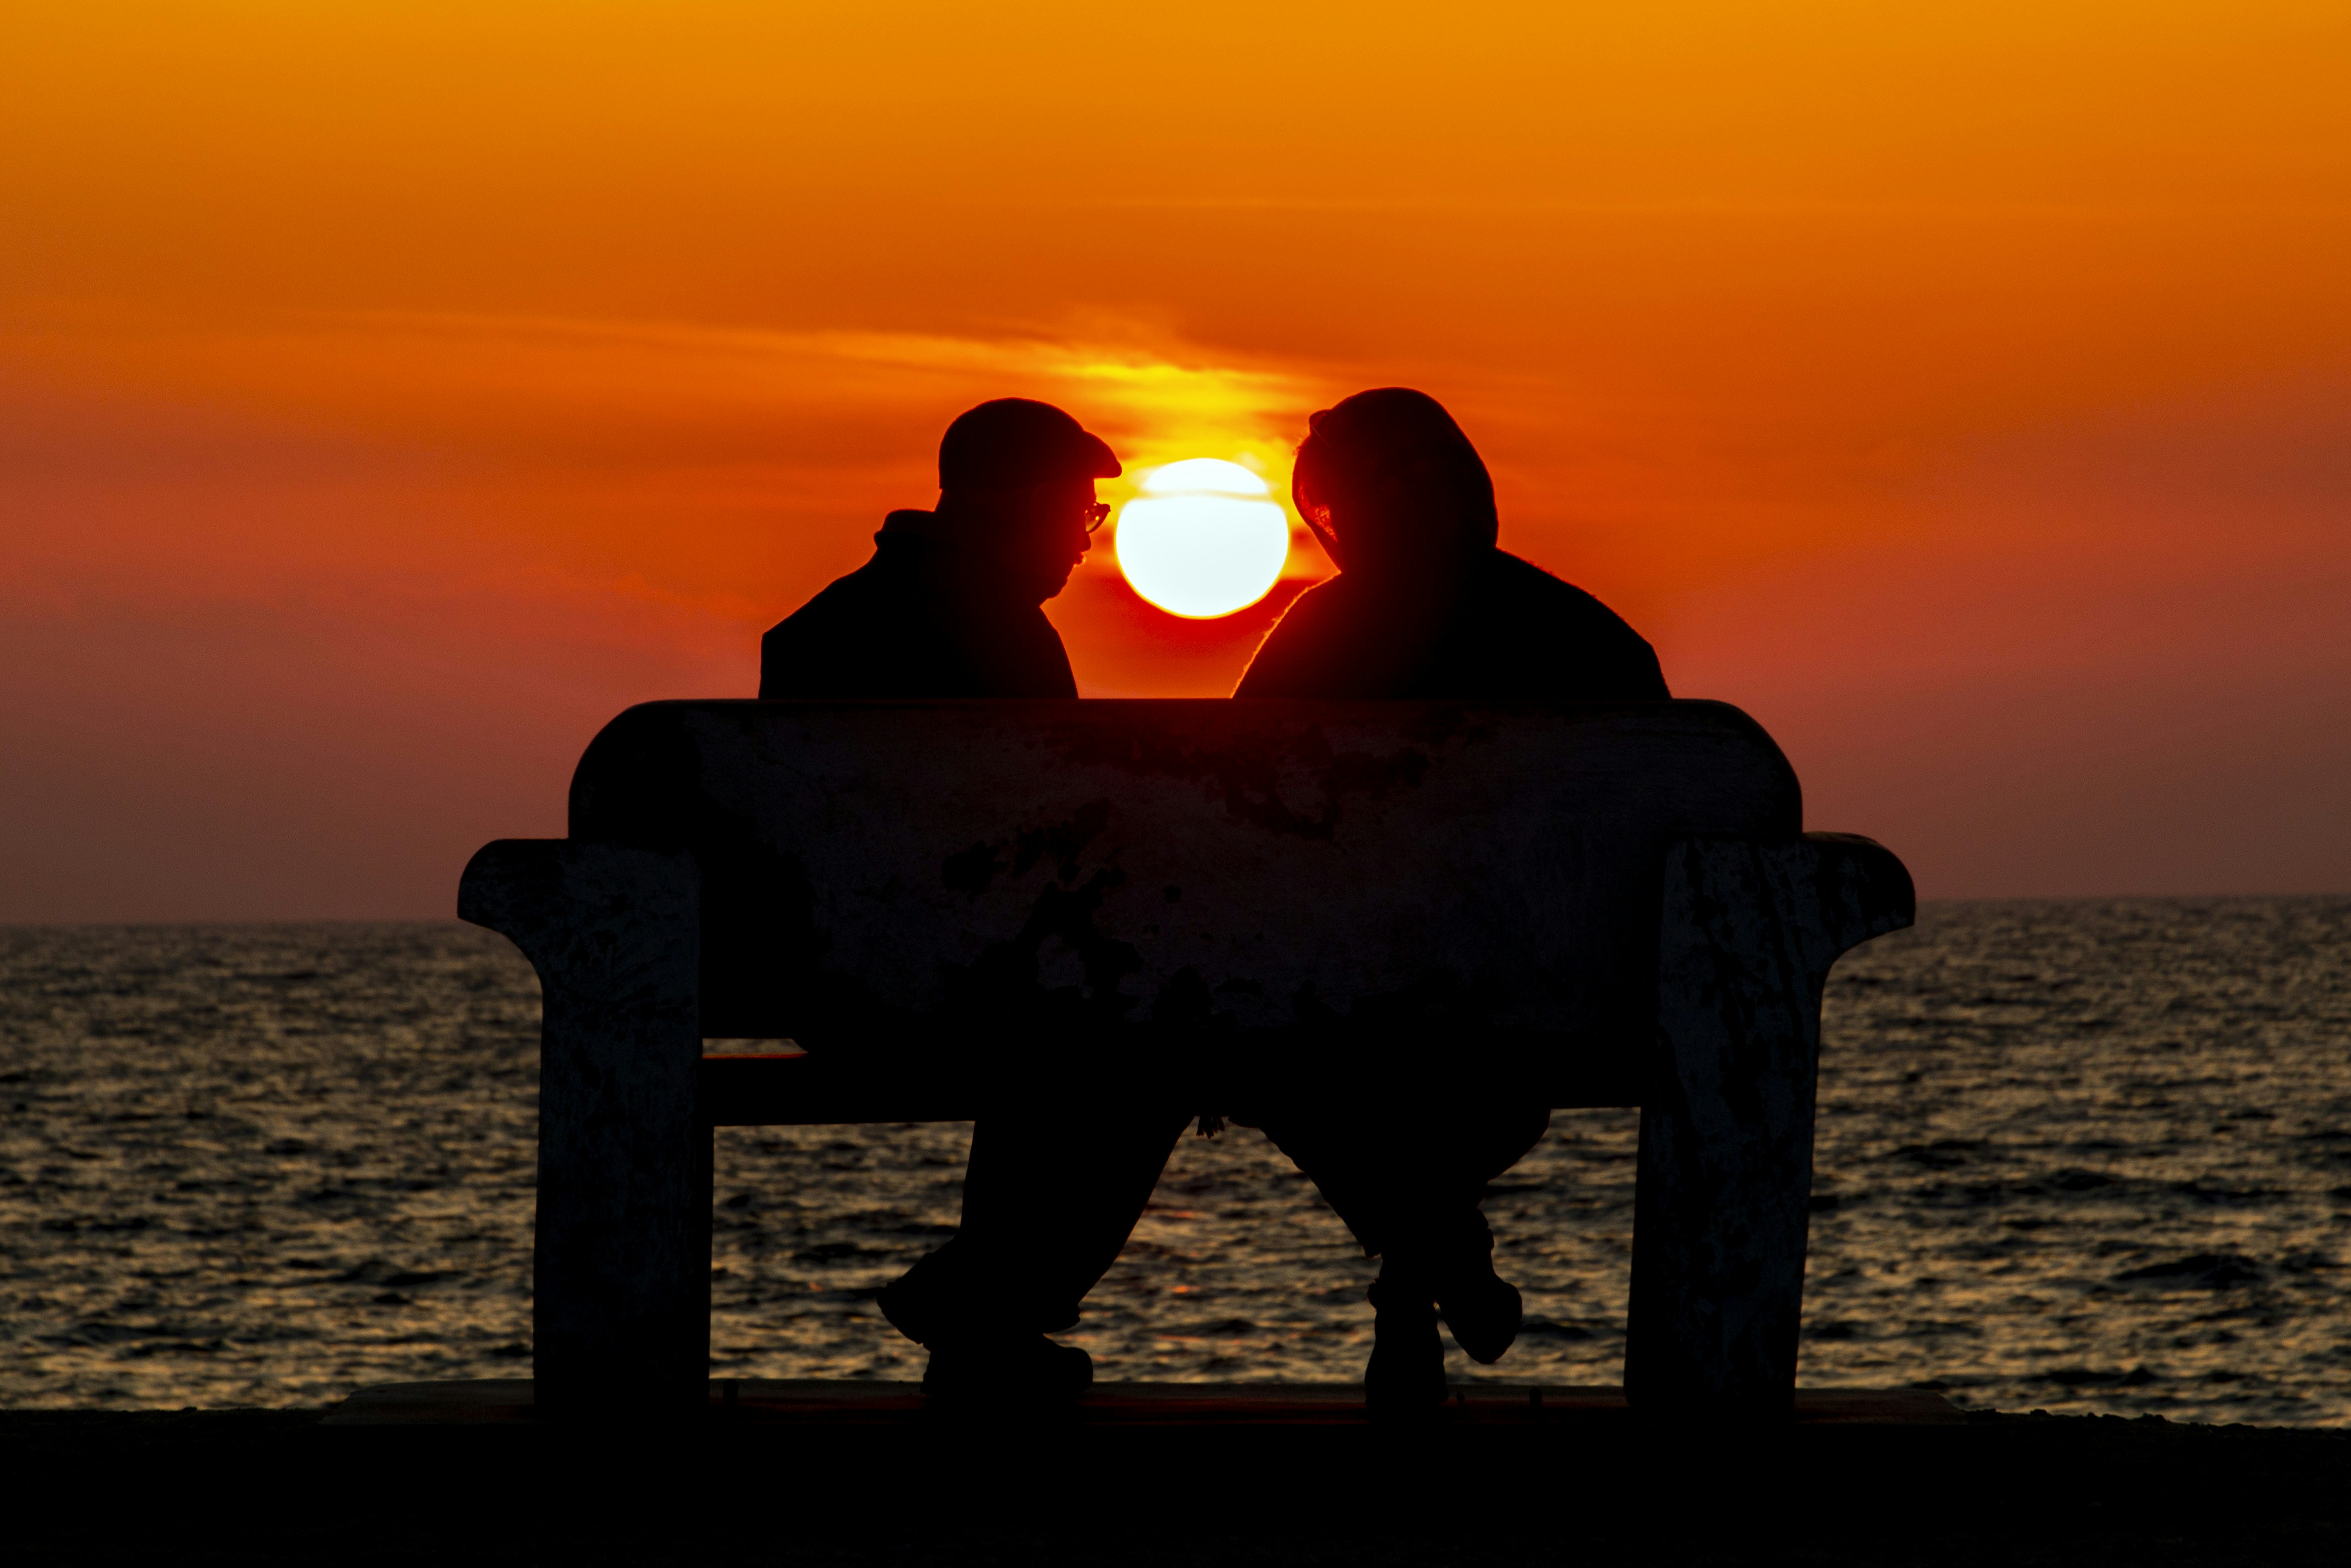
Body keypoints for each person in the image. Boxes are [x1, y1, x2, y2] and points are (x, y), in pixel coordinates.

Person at [1234, 387, 1669, 1412]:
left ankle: (1416, 1277)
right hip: (1559, 1000)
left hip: (1347, 1000)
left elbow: (1229, 819)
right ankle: (1437, 1265)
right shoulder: (1584, 635)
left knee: (1266, 1061)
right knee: (1458, 1071)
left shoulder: (1317, 639)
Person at [760, 398, 1193, 1399]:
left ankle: (984, 1325)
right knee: (1150, 1047)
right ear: (1032, 502)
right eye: (1083, 514)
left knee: (1051, 1021)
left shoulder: (820, 628)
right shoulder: (1002, 637)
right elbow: (1058, 859)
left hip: (833, 990)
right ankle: (985, 1301)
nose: (1088, 544)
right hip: (964, 994)